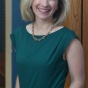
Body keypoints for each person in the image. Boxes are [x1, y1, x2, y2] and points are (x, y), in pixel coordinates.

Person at [10, 0, 85, 88]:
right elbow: (22, 74)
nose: (45, 4)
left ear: (58, 5)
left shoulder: (68, 39)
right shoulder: (19, 35)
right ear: (30, 2)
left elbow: (78, 81)